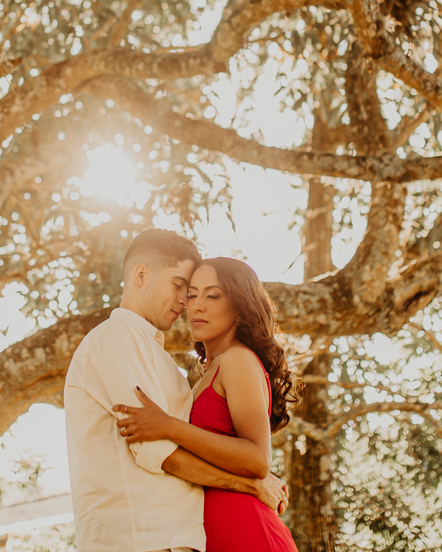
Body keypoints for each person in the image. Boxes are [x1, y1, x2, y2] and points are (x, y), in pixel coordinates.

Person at [65, 231, 288, 552]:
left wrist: (256, 478)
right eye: (180, 286)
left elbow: (212, 446)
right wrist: (251, 484)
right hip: (141, 540)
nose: (187, 302)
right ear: (141, 275)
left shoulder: (166, 363)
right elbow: (160, 452)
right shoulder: (117, 338)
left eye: (199, 293)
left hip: (182, 538)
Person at [113, 257, 301, 552]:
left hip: (248, 531)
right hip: (215, 534)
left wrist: (168, 426)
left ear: (240, 309)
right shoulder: (208, 373)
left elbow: (257, 459)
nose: (196, 306)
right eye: (192, 295)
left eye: (212, 296)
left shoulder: (238, 360)